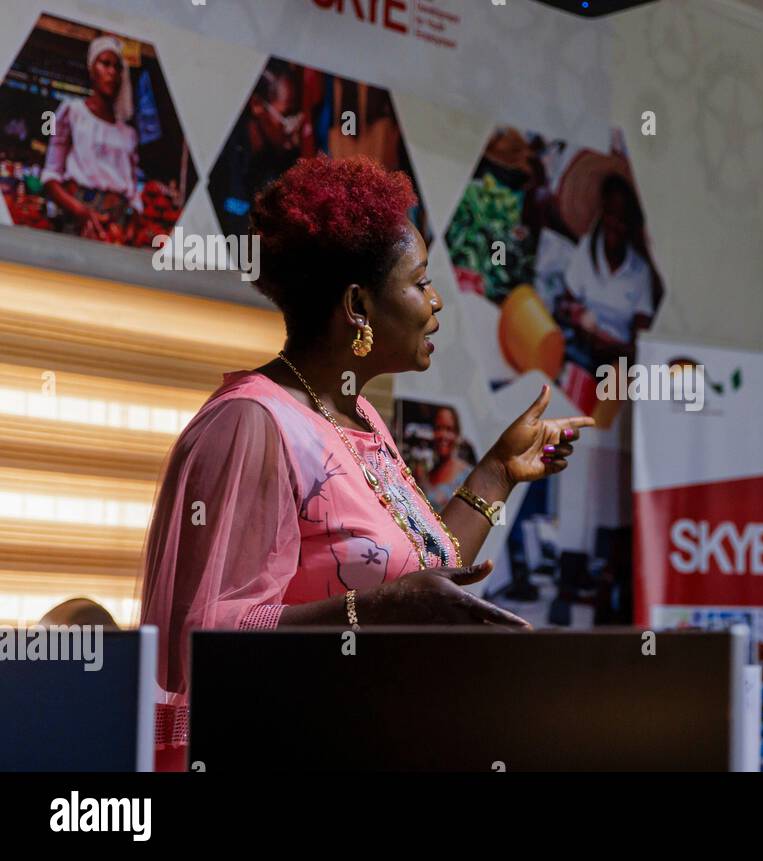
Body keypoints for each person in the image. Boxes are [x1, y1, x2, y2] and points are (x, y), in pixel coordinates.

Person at [140, 155, 594, 769]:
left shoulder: (360, 419)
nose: (437, 302)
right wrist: (384, 610)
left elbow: (416, 578)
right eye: (420, 281)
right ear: (357, 304)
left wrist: (498, 471)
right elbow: (199, 638)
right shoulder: (252, 422)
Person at [41, 35, 141, 242]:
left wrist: (132, 226)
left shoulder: (127, 134)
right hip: (78, 218)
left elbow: (133, 191)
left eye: (117, 67)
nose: (112, 72)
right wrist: (79, 211)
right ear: (91, 68)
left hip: (116, 226)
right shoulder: (71, 113)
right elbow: (50, 177)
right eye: (105, 64)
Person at [554, 174, 656, 369]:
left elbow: (641, 344)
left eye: (622, 219)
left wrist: (612, 346)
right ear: (602, 212)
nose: (615, 225)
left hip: (617, 362)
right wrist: (575, 314)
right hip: (579, 348)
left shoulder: (640, 272)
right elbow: (564, 303)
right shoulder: (586, 249)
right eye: (611, 214)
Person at [422, 405, 475, 510]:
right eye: (438, 428)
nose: (443, 435)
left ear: (457, 435)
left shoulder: (468, 476)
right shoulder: (428, 474)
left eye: (449, 429)